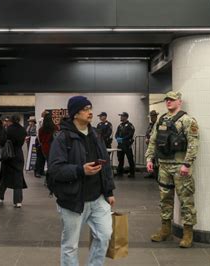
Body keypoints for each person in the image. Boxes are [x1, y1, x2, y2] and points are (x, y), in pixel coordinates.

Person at [48, 96, 115, 266]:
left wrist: (109, 191)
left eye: (90, 108)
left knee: (104, 235)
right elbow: (55, 170)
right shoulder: (63, 138)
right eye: (85, 109)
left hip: (98, 198)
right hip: (73, 199)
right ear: (75, 114)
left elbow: (106, 165)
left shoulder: (95, 134)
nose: (90, 112)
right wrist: (80, 170)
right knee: (70, 245)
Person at [145, 91, 199, 248]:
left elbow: (193, 144)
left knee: (186, 200)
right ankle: (165, 230)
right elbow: (153, 141)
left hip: (180, 166)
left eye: (172, 100)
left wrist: (186, 164)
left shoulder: (187, 120)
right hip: (163, 165)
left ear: (179, 102)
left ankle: (188, 233)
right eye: (167, 100)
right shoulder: (161, 119)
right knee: (165, 199)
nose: (168, 102)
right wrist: (149, 158)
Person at [0, 115, 28, 208]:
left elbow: (1, 142)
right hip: (18, 155)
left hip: (8, 156)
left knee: (5, 176)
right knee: (18, 177)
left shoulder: (7, 129)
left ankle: (0, 196)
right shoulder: (23, 130)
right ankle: (18, 201)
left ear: (11, 121)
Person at [115, 112, 136, 178]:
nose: (121, 117)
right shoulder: (120, 125)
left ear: (126, 117)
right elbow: (116, 134)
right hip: (120, 145)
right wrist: (117, 138)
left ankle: (132, 173)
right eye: (120, 116)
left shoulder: (130, 125)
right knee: (120, 159)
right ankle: (120, 172)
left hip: (127, 145)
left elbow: (130, 134)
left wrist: (123, 139)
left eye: (122, 116)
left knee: (130, 159)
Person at [145, 110, 159, 179]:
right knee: (150, 158)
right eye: (151, 117)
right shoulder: (150, 125)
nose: (152, 118)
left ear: (156, 116)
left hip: (156, 145)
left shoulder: (158, 124)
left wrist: (150, 139)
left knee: (155, 159)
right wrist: (147, 138)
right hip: (150, 144)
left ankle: (156, 173)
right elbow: (148, 132)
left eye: (153, 116)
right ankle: (151, 173)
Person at [34, 111, 48, 177]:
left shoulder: (40, 121)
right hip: (41, 141)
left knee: (41, 158)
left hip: (39, 140)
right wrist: (40, 142)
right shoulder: (42, 121)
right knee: (40, 157)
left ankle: (39, 171)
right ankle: (38, 172)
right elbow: (39, 132)